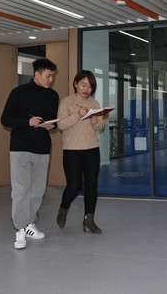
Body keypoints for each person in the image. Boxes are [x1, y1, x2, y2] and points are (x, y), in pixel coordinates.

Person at [1, 58, 59, 250]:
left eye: (52, 76)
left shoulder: (53, 96)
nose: (51, 79)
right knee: (21, 190)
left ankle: (29, 224)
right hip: (20, 147)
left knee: (37, 191)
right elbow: (6, 119)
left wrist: (52, 126)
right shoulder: (18, 93)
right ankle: (19, 228)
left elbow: (53, 120)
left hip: (42, 148)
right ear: (37, 74)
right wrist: (27, 122)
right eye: (48, 76)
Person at [56, 70, 103, 234]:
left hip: (92, 148)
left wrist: (95, 120)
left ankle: (89, 220)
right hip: (72, 149)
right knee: (74, 185)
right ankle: (63, 208)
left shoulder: (94, 104)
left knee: (92, 185)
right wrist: (78, 115)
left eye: (90, 87)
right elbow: (61, 125)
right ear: (75, 84)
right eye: (83, 85)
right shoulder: (66, 102)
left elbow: (99, 127)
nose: (86, 89)